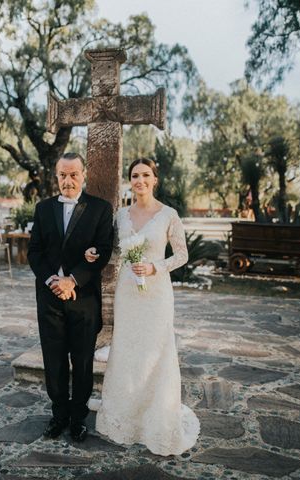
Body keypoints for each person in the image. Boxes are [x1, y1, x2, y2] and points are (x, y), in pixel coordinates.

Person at [89, 158, 200, 456]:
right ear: (131, 181)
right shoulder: (122, 215)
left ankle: (156, 413)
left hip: (156, 292)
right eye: (135, 175)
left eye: (145, 175)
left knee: (156, 348)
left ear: (155, 179)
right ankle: (126, 413)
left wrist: (154, 267)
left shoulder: (168, 215)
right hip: (127, 291)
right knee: (126, 348)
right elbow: (112, 249)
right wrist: (91, 252)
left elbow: (182, 255)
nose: (140, 180)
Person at [27, 152, 114, 442]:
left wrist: (73, 279)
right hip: (50, 297)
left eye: (73, 174)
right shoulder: (42, 209)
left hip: (84, 299)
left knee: (83, 361)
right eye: (62, 175)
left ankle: (78, 418)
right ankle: (59, 415)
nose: (68, 180)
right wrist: (54, 280)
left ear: (83, 174)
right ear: (56, 175)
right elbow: (35, 252)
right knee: (54, 360)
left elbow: (102, 250)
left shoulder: (100, 209)